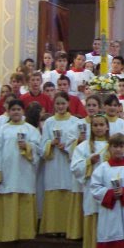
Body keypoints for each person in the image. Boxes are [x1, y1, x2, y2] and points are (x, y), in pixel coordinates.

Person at [0, 99, 42, 242]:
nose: (16, 112)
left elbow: (39, 149)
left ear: (23, 111)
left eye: (19, 109)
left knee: (25, 198)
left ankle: (25, 233)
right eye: (13, 109)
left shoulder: (31, 130)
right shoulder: (2, 130)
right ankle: (7, 233)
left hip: (25, 171)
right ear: (9, 112)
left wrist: (28, 147)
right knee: (8, 196)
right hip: (8, 172)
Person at [70, 114, 109, 248]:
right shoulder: (83, 146)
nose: (99, 128)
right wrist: (88, 161)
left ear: (107, 127)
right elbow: (74, 167)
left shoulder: (113, 145)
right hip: (91, 188)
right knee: (92, 216)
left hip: (107, 189)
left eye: (101, 125)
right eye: (95, 125)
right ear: (91, 127)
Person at [39, 92, 79, 235]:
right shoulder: (49, 122)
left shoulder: (76, 122)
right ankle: (52, 228)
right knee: (54, 190)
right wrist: (51, 144)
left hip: (68, 161)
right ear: (54, 105)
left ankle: (67, 228)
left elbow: (79, 143)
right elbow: (42, 145)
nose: (60, 106)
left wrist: (68, 147)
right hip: (53, 162)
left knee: (68, 189)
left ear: (68, 104)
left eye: (63, 103)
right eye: (58, 104)